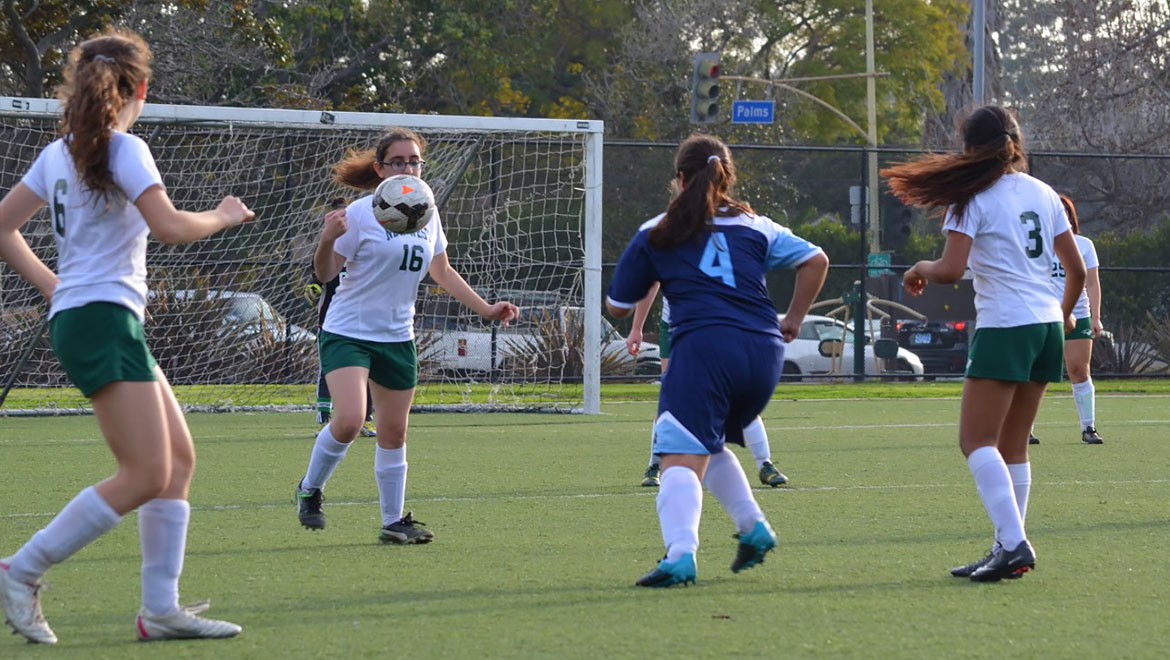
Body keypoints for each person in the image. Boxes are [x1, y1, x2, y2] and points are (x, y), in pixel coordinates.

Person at [0, 30, 252, 644]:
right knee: (143, 472)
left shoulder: (59, 152)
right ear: (141, 87)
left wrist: (54, 286)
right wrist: (224, 214)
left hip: (95, 317)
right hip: (103, 319)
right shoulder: (125, 148)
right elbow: (167, 227)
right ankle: (20, 569)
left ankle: (160, 610)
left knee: (177, 463)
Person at [607, 134, 829, 588]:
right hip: (764, 354)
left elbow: (617, 305)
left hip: (706, 349)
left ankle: (681, 556)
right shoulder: (756, 224)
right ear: (725, 177)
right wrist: (793, 319)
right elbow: (816, 260)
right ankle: (754, 528)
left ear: (680, 179)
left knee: (676, 458)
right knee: (707, 444)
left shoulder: (658, 230)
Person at [882, 104, 1086, 582]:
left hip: (1006, 327)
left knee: (975, 441)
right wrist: (1057, 316)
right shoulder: (1044, 193)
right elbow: (1075, 271)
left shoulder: (971, 197)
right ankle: (1004, 545)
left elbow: (951, 270)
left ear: (970, 149)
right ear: (1015, 143)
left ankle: (1014, 543)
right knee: (1013, 447)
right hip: (1046, 329)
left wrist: (919, 269)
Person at [294, 128, 518, 543]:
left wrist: (487, 308)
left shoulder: (426, 212)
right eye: (398, 161)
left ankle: (392, 521)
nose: (408, 168)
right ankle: (310, 489)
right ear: (380, 169)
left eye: (414, 161)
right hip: (347, 332)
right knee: (348, 420)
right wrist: (326, 239)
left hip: (397, 336)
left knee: (394, 432)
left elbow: (442, 272)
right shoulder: (360, 214)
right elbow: (324, 275)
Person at [626, 285, 789, 488]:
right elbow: (651, 284)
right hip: (677, 329)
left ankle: (765, 464)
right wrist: (636, 328)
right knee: (672, 399)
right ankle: (654, 466)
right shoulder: (667, 253)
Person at [305, 197, 376, 438]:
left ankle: (366, 419)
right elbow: (318, 276)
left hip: (363, 321)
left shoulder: (363, 247)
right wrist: (313, 288)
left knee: (368, 370)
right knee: (328, 368)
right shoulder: (328, 250)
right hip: (331, 321)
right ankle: (324, 419)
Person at [1051, 194, 1105, 444]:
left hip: (1079, 314)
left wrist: (1096, 317)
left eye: (1063, 211)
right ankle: (1024, 429)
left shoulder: (1083, 244)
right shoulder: (1037, 244)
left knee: (1078, 371)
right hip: (1043, 315)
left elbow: (1092, 283)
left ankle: (1088, 428)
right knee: (1031, 372)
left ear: (1070, 216)